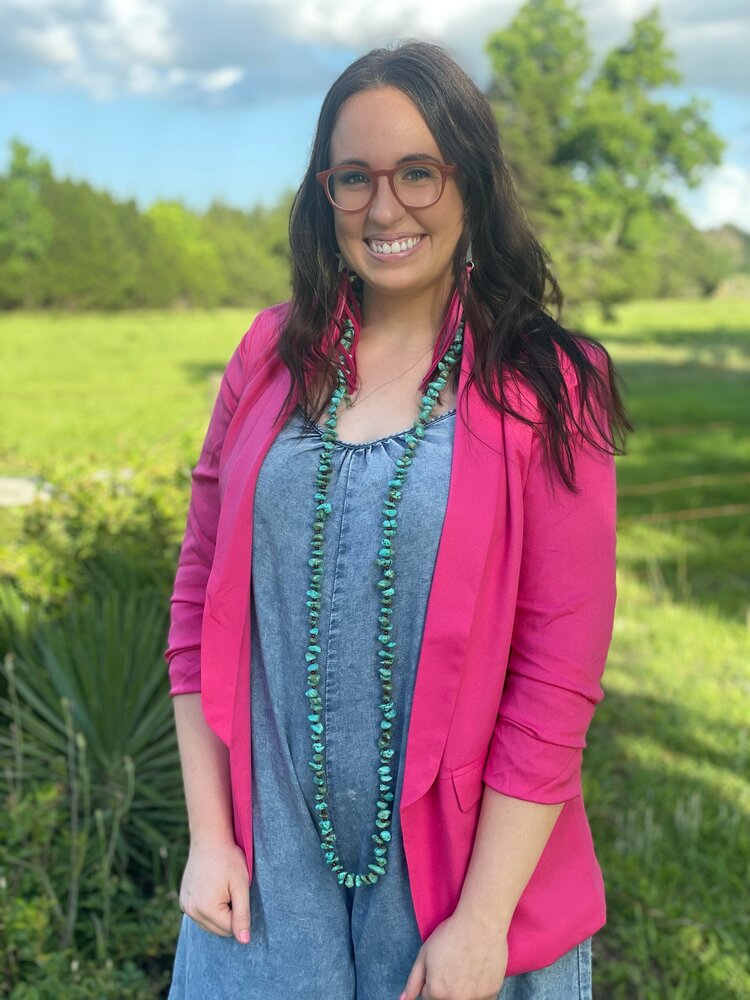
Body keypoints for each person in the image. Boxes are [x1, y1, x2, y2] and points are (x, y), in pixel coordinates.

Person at [164, 40, 632, 1000]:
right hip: (261, 888)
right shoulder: (267, 358)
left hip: (458, 903)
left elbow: (558, 672)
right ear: (323, 193)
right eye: (354, 178)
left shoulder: (551, 384)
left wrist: (484, 922)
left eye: (419, 171)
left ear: (471, 181)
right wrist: (210, 835)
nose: (385, 209)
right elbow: (196, 602)